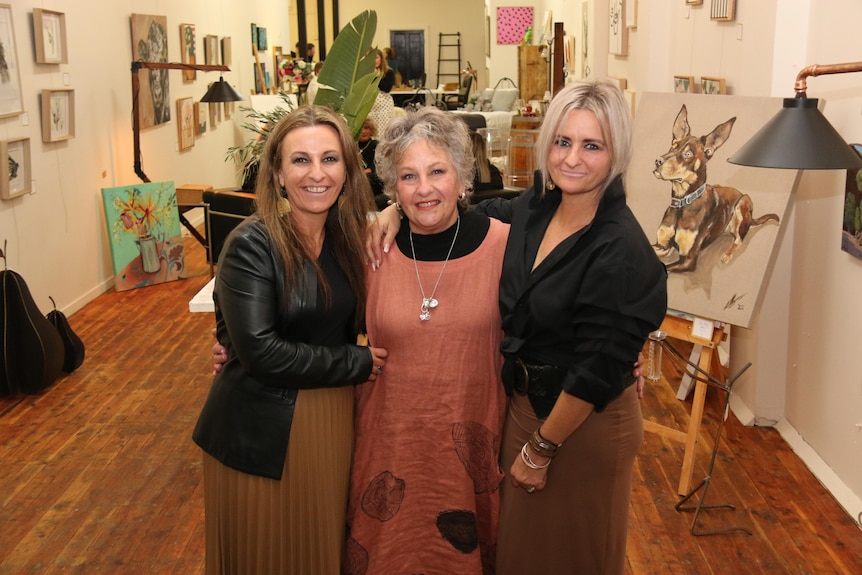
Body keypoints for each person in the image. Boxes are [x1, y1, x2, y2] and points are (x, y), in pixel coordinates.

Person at [369, 79, 667, 574]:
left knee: (576, 556)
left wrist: (543, 448)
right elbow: (473, 217)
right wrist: (396, 212)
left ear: (617, 155)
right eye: (562, 141)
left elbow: (596, 367)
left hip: (579, 426)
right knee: (522, 556)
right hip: (526, 410)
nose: (572, 158)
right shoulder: (538, 208)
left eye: (592, 146)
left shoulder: (619, 247)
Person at [192, 105, 388, 575]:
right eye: (300, 160)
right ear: (277, 173)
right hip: (262, 429)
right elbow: (262, 353)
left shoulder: (348, 240)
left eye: (330, 159)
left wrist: (396, 210)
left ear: (348, 169)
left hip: (331, 417)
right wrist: (361, 363)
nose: (316, 174)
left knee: (319, 548)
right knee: (268, 554)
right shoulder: (251, 244)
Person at [343, 106, 509, 574]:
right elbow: (321, 319)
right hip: (389, 446)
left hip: (468, 448)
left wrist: (623, 355)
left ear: (462, 177)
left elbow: (553, 316)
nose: (425, 188)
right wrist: (232, 348)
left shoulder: (505, 246)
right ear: (393, 189)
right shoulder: (371, 250)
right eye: (409, 177)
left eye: (438, 171)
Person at [357, 117, 386, 209]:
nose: (364, 132)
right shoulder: (353, 146)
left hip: (374, 178)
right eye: (361, 129)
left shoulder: (376, 145)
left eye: (367, 128)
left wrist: (365, 172)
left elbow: (378, 167)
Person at [366, 50, 397, 134]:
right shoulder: (365, 74)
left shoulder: (389, 72)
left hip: (384, 109)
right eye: (372, 58)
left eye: (376, 58)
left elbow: (386, 88)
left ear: (381, 59)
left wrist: (376, 77)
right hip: (370, 109)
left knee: (383, 133)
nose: (374, 61)